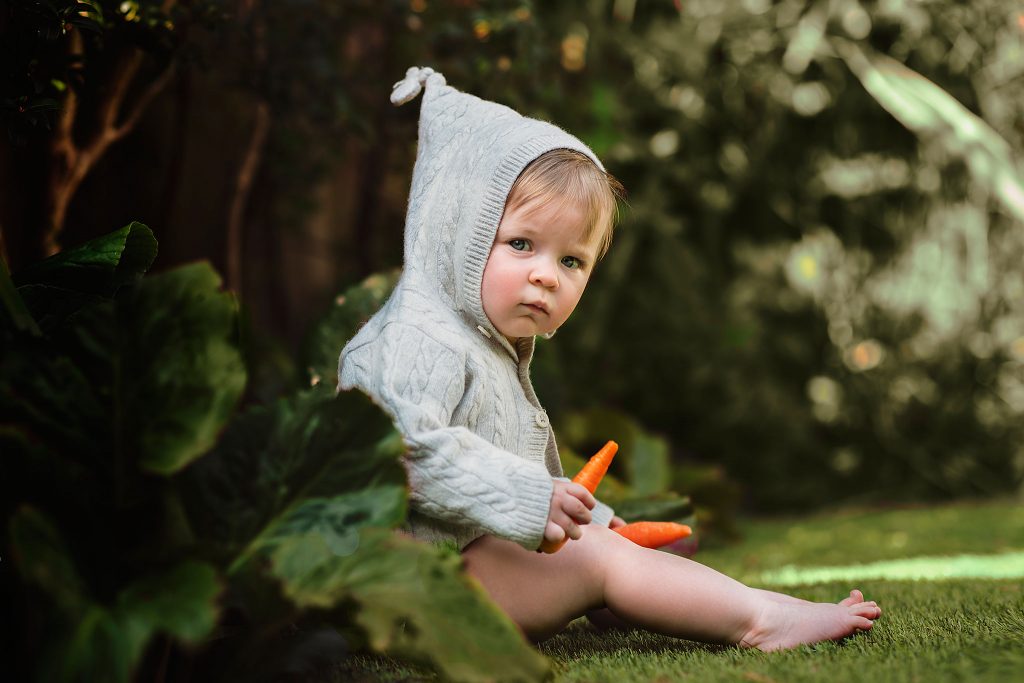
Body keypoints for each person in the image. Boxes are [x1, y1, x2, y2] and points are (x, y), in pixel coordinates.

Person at [338, 66, 881, 649]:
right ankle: (758, 622)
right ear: (458, 234)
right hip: (396, 599)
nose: (546, 275)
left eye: (572, 261)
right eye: (521, 244)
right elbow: (402, 454)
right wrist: (543, 505)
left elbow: (502, 476)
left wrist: (586, 518)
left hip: (444, 577)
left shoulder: (483, 342)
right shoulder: (418, 340)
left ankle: (766, 605)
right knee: (598, 559)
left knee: (600, 547)